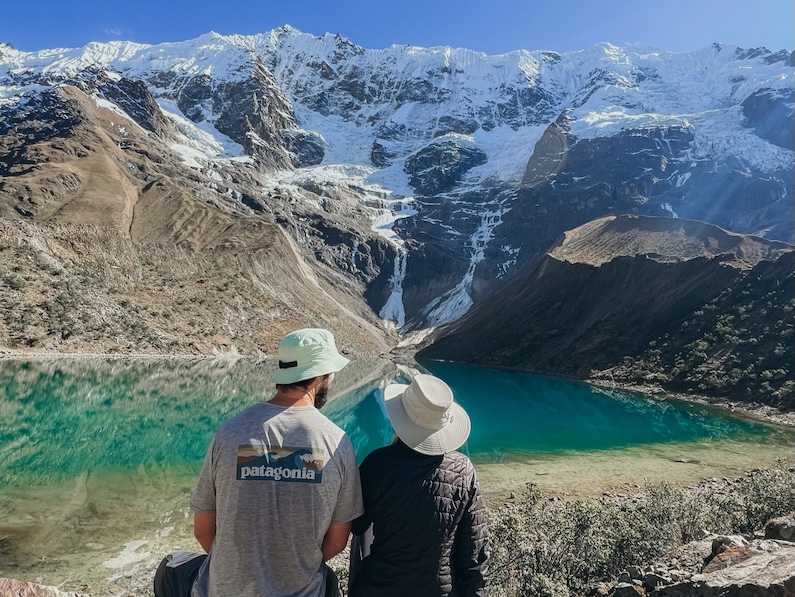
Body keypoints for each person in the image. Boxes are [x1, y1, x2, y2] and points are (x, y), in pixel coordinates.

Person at [154, 328, 363, 597]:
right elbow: (337, 542)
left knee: (170, 569)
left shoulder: (229, 433)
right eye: (331, 374)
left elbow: (203, 530)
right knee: (329, 581)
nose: (331, 380)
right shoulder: (337, 443)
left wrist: (239, 567)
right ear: (320, 376)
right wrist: (290, 566)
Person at [349, 374, 489, 597]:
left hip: (379, 587)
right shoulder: (463, 470)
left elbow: (356, 525)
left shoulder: (377, 463)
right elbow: (475, 549)